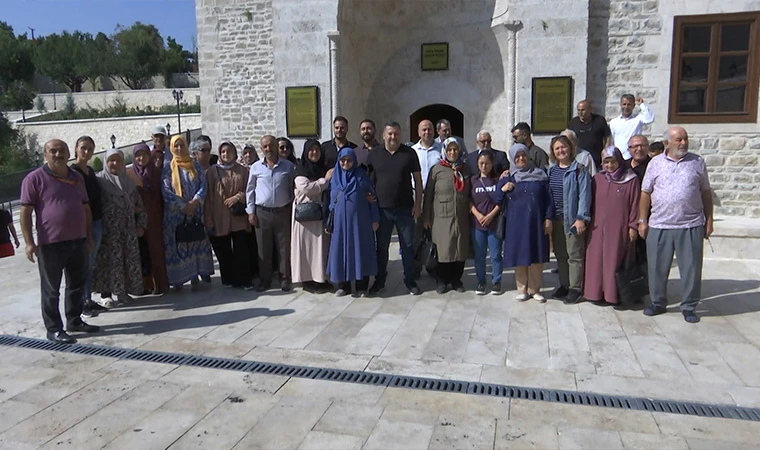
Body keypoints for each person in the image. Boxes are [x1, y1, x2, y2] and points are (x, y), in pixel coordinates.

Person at [20, 139, 98, 344]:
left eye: (62, 150)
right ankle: (54, 328)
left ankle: (74, 320)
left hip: (78, 241)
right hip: (51, 244)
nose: (58, 155)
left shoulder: (76, 178)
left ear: (68, 153)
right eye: (53, 151)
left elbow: (86, 209)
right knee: (51, 288)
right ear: (45, 155)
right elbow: (26, 212)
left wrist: (89, 237)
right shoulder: (34, 179)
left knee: (76, 285)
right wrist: (29, 242)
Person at [639, 126, 713, 324]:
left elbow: (706, 192)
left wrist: (710, 220)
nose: (683, 143)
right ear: (666, 144)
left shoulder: (697, 162)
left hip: (690, 224)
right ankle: (657, 302)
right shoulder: (655, 163)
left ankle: (689, 306)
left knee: (691, 268)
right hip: (660, 224)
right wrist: (642, 220)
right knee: (656, 267)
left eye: (685, 139)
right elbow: (645, 192)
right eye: (679, 139)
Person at [367, 122, 423, 295]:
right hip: (382, 210)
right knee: (382, 247)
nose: (393, 137)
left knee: (407, 245)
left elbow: (418, 181)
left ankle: (410, 281)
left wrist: (418, 204)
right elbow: (369, 179)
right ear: (383, 135)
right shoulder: (374, 154)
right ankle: (380, 280)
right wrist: (369, 198)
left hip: (405, 209)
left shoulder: (409, 153)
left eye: (396, 134)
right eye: (390, 134)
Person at [583, 146, 640, 308]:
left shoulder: (630, 179)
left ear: (619, 161)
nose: (609, 166)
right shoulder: (598, 179)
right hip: (596, 227)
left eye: (612, 161)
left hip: (619, 228)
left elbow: (635, 204)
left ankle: (612, 295)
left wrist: (633, 226)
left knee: (613, 260)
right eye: (606, 162)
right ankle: (594, 293)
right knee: (595, 260)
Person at [498, 144, 554, 302]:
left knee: (536, 255)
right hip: (516, 224)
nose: (521, 159)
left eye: (523, 155)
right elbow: (497, 197)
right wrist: (503, 188)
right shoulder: (509, 176)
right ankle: (522, 289)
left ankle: (535, 289)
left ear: (528, 156)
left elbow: (548, 200)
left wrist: (548, 218)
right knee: (520, 255)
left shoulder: (541, 175)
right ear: (513, 159)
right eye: (517, 157)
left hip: (536, 222)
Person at [93, 149, 147, 306]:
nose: (114, 163)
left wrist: (141, 225)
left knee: (125, 261)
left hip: (127, 230)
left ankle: (122, 293)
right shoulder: (100, 181)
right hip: (107, 231)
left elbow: (140, 205)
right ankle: (106, 295)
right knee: (107, 262)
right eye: (111, 160)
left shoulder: (129, 182)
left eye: (118, 160)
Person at [162, 135, 215, 289]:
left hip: (195, 212)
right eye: (176, 146)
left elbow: (203, 185)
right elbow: (165, 190)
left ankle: (196, 275)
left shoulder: (195, 166)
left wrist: (194, 202)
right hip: (176, 215)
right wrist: (182, 205)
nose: (179, 149)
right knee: (179, 245)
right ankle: (179, 279)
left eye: (181, 145)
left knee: (196, 242)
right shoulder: (168, 168)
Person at [246, 135, 296, 292]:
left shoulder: (288, 166)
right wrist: (251, 212)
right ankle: (265, 279)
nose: (268, 149)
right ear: (261, 149)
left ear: (276, 146)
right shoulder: (255, 168)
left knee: (284, 247)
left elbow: (293, 188)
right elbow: (250, 191)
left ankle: (284, 278)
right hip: (262, 213)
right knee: (263, 248)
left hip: (283, 211)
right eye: (265, 146)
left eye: (271, 146)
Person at [328, 148, 380, 297]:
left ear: (354, 161)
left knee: (360, 251)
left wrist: (374, 218)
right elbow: (330, 201)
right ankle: (344, 286)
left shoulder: (361, 176)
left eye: (349, 160)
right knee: (342, 251)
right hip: (340, 225)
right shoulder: (335, 178)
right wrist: (329, 221)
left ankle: (362, 286)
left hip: (360, 224)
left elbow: (373, 198)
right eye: (342, 160)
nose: (345, 163)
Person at [547, 135, 592, 305]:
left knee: (574, 255)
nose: (561, 151)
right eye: (557, 148)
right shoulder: (551, 171)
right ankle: (564, 285)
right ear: (553, 152)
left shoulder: (579, 170)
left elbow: (585, 196)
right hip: (556, 220)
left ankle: (576, 288)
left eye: (563, 147)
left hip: (572, 220)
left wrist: (581, 218)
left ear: (570, 148)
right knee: (560, 255)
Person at [423, 137, 471, 294]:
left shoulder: (465, 169)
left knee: (459, 249)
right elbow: (428, 195)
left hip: (461, 216)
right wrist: (427, 218)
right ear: (444, 151)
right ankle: (441, 280)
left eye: (455, 149)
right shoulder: (437, 170)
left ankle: (456, 280)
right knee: (443, 250)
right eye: (449, 150)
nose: (452, 152)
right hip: (441, 218)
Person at [205, 141, 254, 290]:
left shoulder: (243, 171)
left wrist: (238, 197)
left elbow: (250, 190)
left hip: (238, 216)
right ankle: (228, 279)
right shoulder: (212, 172)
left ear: (234, 153)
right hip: (219, 215)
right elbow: (208, 197)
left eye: (229, 151)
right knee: (224, 249)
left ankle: (244, 280)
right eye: (223, 152)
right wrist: (209, 219)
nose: (226, 154)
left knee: (241, 249)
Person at [70, 136, 108, 317]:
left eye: (90, 149)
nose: (86, 152)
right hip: (84, 224)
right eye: (83, 148)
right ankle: (82, 303)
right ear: (76, 149)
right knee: (83, 265)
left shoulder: (90, 171)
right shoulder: (72, 173)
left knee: (90, 264)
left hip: (97, 221)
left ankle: (88, 299)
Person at [291, 139, 333, 293]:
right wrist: (325, 181)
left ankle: (320, 279)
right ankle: (307, 281)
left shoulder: (323, 167)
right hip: (304, 218)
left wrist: (321, 182)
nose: (314, 153)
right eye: (311, 150)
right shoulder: (300, 168)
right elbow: (307, 188)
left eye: (317, 150)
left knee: (319, 249)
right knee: (305, 249)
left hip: (319, 215)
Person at [126, 143, 168, 295]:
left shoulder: (157, 172)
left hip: (156, 216)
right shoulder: (129, 174)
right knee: (139, 252)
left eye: (144, 154)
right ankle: (143, 285)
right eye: (138, 155)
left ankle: (160, 284)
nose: (141, 158)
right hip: (137, 218)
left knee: (156, 250)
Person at [469, 150, 503, 295]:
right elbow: (468, 201)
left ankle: (496, 281)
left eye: (487, 163)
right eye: (481, 163)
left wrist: (490, 215)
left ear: (492, 164)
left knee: (495, 255)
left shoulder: (497, 181)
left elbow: (501, 201)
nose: (484, 166)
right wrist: (478, 215)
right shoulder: (473, 181)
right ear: (477, 164)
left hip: (493, 224)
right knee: (480, 255)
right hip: (477, 225)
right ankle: (481, 281)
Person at [567, 100, 611, 169]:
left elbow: (607, 137)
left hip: (596, 158)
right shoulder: (573, 122)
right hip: (579, 158)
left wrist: (605, 152)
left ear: (589, 109)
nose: (580, 113)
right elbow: (568, 139)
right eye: (578, 110)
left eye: (583, 110)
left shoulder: (599, 120)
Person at [609, 94, 655, 159]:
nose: (626, 107)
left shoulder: (638, 118)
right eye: (624, 104)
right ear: (620, 105)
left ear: (633, 106)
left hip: (633, 157)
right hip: (619, 157)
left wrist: (642, 105)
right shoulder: (614, 122)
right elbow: (612, 140)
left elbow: (650, 119)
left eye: (629, 104)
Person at [412, 120, 443, 189]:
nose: (427, 132)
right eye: (424, 130)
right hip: (417, 193)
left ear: (434, 131)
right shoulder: (413, 151)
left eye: (429, 129)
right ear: (419, 133)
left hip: (436, 193)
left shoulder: (442, 149)